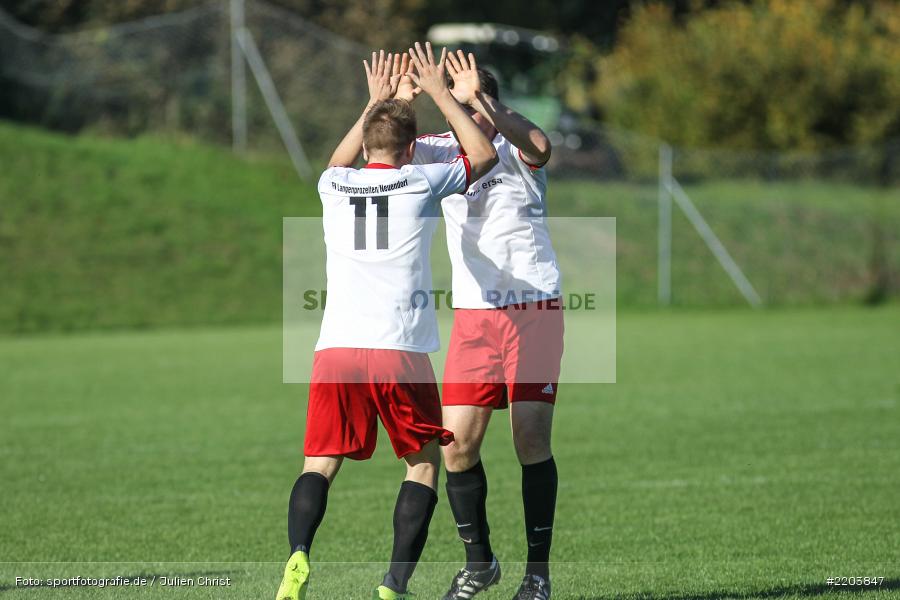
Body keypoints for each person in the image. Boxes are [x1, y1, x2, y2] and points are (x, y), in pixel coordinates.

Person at [275, 44, 498, 600]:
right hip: (399, 349)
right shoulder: (420, 181)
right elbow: (483, 154)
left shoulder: (333, 185)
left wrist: (375, 103)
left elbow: (339, 159)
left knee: (318, 462)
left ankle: (298, 554)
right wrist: (441, 95)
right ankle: (393, 584)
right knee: (422, 465)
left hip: (337, 348)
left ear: (368, 141)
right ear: (411, 148)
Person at [398, 51, 563, 600]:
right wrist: (400, 100)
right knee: (456, 448)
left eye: (467, 106)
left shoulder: (514, 148)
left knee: (529, 438)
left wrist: (481, 100)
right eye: (455, 108)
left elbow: (541, 144)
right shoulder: (443, 151)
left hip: (534, 309)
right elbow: (388, 151)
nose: (458, 118)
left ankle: (536, 575)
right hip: (475, 318)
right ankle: (480, 564)